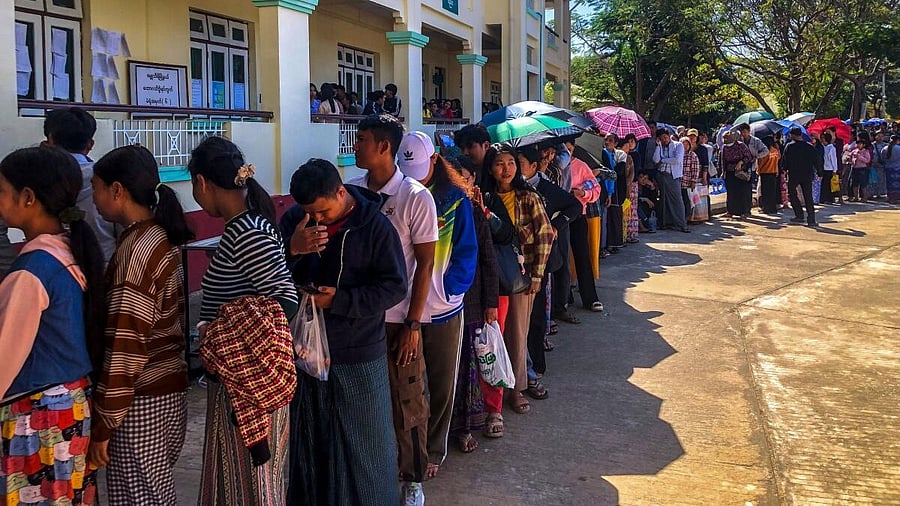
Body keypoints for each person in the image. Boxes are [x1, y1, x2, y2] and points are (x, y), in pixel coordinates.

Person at [282, 159, 407, 506]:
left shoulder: (375, 226)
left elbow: (394, 287)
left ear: (340, 192)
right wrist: (293, 249)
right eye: (310, 212)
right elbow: (271, 274)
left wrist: (341, 301)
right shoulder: (296, 221)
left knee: (363, 445)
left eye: (322, 211)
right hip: (304, 351)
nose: (317, 219)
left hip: (358, 351)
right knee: (311, 439)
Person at [190, 137, 299, 505]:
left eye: (194, 186)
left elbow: (284, 300)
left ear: (203, 183)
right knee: (241, 482)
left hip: (248, 387)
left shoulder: (248, 232)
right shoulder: (246, 226)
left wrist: (222, 335)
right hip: (240, 384)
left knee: (252, 486)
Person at [86, 145, 193, 505]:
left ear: (118, 191)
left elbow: (126, 344)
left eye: (97, 188)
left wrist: (106, 420)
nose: (95, 198)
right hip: (166, 393)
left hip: (143, 400)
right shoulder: (155, 237)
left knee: (140, 498)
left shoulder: (137, 251)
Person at [0, 146, 105, 506]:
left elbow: (3, 360)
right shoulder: (68, 252)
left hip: (37, 415)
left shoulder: (32, 273)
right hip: (70, 409)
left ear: (28, 198)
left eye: (1, 190)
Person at [348, 115, 438, 505]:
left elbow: (424, 265)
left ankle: (412, 478)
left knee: (408, 401)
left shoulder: (415, 197)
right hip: (359, 318)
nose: (356, 145)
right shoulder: (350, 192)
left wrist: (413, 324)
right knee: (364, 402)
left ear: (385, 147)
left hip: (399, 318)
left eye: (363, 139)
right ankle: (372, 474)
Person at [396, 132, 477, 479]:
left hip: (444, 310)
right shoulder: (396, 195)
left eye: (420, 167)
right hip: (402, 310)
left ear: (434, 161)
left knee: (442, 384)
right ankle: (407, 449)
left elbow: (467, 251)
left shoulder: (456, 199)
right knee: (407, 385)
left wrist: (449, 289)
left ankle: (433, 449)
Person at [480, 143, 555, 417]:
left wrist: (537, 275)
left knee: (516, 336)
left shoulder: (528, 197)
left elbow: (546, 234)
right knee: (492, 338)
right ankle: (492, 396)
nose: (506, 169)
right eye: (500, 163)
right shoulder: (484, 198)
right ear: (490, 167)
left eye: (511, 163)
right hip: (491, 277)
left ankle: (516, 390)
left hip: (521, 277)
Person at [517, 145, 580, 396]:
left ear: (533, 166)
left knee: (535, 318)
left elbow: (573, 206)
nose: (512, 169)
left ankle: (536, 365)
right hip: (517, 264)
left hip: (539, 263)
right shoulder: (510, 191)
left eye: (518, 163)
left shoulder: (544, 189)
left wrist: (555, 225)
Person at [447, 155, 498, 445]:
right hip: (439, 304)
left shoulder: (476, 212)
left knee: (467, 365)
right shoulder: (433, 207)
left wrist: (491, 302)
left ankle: (465, 427)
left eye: (463, 176)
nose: (458, 182)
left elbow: (488, 259)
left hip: (472, 301)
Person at [43, 107, 117, 263]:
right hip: (105, 268)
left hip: (56, 269)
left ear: (49, 142)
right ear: (90, 144)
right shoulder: (110, 179)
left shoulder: (37, 178)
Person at [564, 141, 604, 312]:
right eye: (562, 149)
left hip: (578, 215)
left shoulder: (581, 166)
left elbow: (595, 188)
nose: (566, 152)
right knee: (560, 259)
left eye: (569, 149)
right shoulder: (551, 167)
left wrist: (582, 193)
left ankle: (590, 298)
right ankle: (564, 297)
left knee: (582, 256)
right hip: (558, 217)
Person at [652, 128, 690, 232]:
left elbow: (677, 160)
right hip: (661, 175)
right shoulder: (660, 146)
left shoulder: (678, 145)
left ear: (669, 136)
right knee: (663, 200)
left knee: (677, 200)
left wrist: (663, 160)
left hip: (673, 176)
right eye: (661, 138)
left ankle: (681, 224)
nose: (664, 140)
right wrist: (658, 146)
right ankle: (665, 223)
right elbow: (655, 160)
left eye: (665, 137)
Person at [782, 127, 819, 227]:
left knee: (792, 194)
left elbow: (785, 161)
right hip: (807, 174)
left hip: (794, 174)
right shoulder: (810, 147)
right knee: (808, 196)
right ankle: (811, 219)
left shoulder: (789, 146)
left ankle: (799, 214)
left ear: (793, 135)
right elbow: (817, 160)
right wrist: (820, 173)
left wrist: (783, 170)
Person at [720, 131, 755, 219]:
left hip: (741, 171)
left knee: (743, 191)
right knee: (731, 192)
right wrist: (723, 172)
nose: (725, 140)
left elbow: (748, 157)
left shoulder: (741, 145)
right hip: (730, 171)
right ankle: (731, 211)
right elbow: (723, 161)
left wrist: (741, 162)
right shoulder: (724, 147)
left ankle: (745, 211)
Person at [757, 136, 781, 214]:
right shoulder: (775, 151)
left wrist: (758, 171)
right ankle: (772, 208)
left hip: (765, 173)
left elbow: (760, 163)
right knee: (772, 192)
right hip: (773, 172)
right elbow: (778, 159)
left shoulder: (764, 152)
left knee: (765, 192)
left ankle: (766, 208)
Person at [679, 136, 700, 222]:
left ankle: (687, 217)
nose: (685, 146)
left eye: (687, 144)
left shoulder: (692, 155)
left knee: (687, 200)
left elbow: (695, 169)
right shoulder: (678, 154)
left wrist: (693, 181)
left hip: (687, 181)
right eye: (683, 144)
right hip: (678, 181)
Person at [848, 138, 872, 202]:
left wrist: (859, 156)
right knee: (854, 183)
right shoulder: (854, 151)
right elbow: (850, 158)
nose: (858, 145)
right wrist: (849, 158)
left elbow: (867, 160)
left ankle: (865, 197)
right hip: (854, 168)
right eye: (857, 144)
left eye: (860, 144)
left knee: (863, 184)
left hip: (862, 168)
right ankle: (856, 197)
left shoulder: (866, 151)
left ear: (863, 145)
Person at [821, 132, 839, 205]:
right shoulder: (823, 147)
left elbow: (834, 159)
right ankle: (824, 198)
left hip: (829, 168)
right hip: (824, 168)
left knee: (829, 185)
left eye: (823, 138)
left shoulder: (831, 148)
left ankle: (830, 199)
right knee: (824, 184)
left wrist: (835, 170)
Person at [883, 134, 900, 204]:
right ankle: (896, 198)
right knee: (897, 184)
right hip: (897, 168)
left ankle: (890, 197)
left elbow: (882, 158)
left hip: (888, 168)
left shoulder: (884, 149)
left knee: (889, 183)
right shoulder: (898, 148)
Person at [871, 132, 888, 199]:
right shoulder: (872, 145)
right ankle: (873, 193)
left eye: (882, 136)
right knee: (873, 179)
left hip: (882, 165)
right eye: (879, 136)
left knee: (882, 179)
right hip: (873, 164)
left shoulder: (886, 145)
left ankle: (880, 193)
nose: (880, 138)